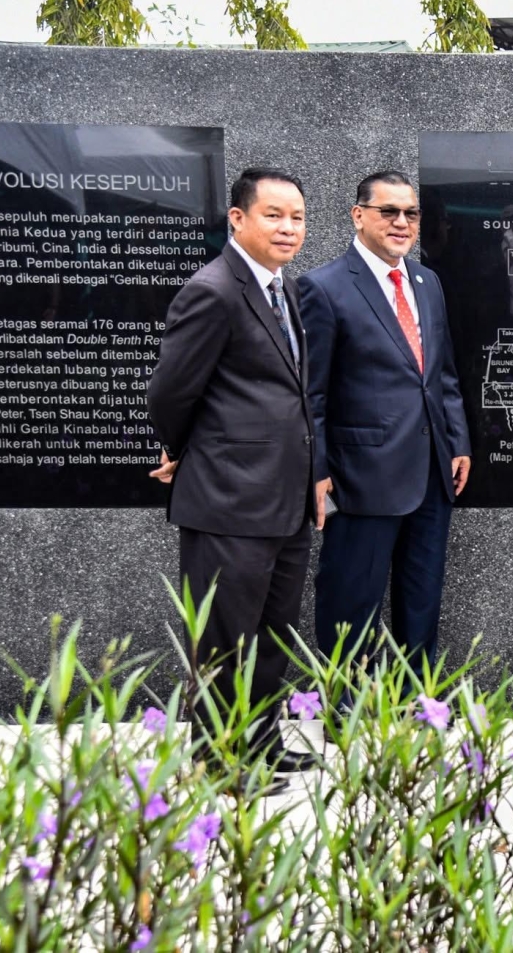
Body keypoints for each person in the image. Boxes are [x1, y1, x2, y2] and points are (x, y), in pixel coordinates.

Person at [147, 167, 319, 779]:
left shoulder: (283, 288)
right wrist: (188, 450)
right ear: (238, 218)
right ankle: (218, 761)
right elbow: (170, 392)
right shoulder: (213, 290)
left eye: (297, 217)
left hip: (283, 501)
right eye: (274, 215)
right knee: (224, 640)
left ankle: (261, 742)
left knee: (271, 635)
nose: (288, 227)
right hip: (228, 500)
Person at [296, 171, 471, 677]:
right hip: (361, 478)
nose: (401, 222)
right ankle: (347, 706)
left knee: (422, 602)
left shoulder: (427, 282)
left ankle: (417, 702)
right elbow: (311, 394)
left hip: (433, 472)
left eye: (410, 213)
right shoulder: (323, 287)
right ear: (358, 216)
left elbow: (442, 373)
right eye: (387, 211)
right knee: (351, 603)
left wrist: (457, 441)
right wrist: (316, 470)